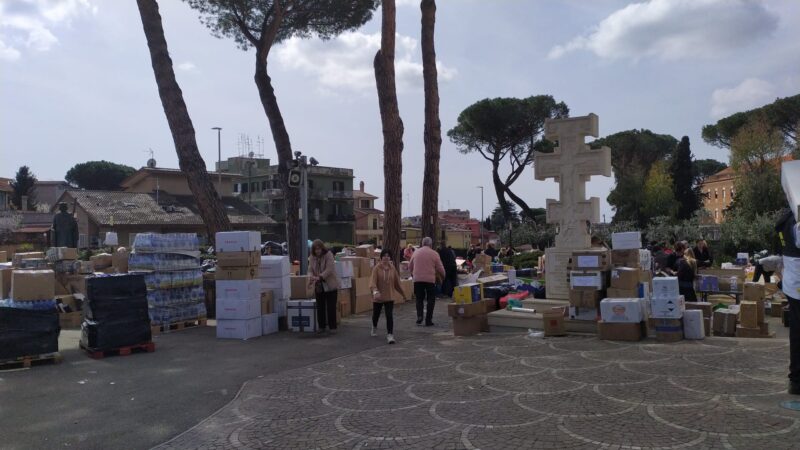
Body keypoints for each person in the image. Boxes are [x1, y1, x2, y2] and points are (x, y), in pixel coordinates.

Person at [776, 210, 800, 394]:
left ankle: (796, 379)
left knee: (796, 330)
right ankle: (796, 379)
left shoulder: (785, 219)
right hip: (796, 278)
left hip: (793, 281)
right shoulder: (795, 219)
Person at [369, 249, 404, 344]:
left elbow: (397, 283)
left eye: (388, 256)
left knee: (389, 315)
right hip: (378, 296)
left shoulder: (392, 269)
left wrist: (403, 294)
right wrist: (375, 291)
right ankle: (374, 326)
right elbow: (372, 281)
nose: (386, 257)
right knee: (376, 314)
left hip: (389, 296)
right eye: (384, 255)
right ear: (381, 257)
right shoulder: (376, 268)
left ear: (390, 258)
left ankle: (390, 335)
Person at [409, 237, 445, 326]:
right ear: (431, 244)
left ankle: (419, 316)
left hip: (417, 279)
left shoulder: (416, 252)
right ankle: (428, 320)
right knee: (431, 299)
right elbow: (440, 268)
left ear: (422, 243)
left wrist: (413, 274)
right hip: (430, 280)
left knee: (419, 299)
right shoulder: (434, 254)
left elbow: (410, 266)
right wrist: (443, 276)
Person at [308, 240, 341, 334]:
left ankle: (332, 327)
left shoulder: (329, 255)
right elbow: (310, 269)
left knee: (331, 307)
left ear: (322, 248)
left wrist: (320, 276)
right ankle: (321, 326)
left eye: (319, 249)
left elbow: (329, 269)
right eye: (315, 249)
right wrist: (311, 276)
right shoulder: (312, 257)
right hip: (318, 285)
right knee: (320, 306)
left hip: (330, 284)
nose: (317, 251)